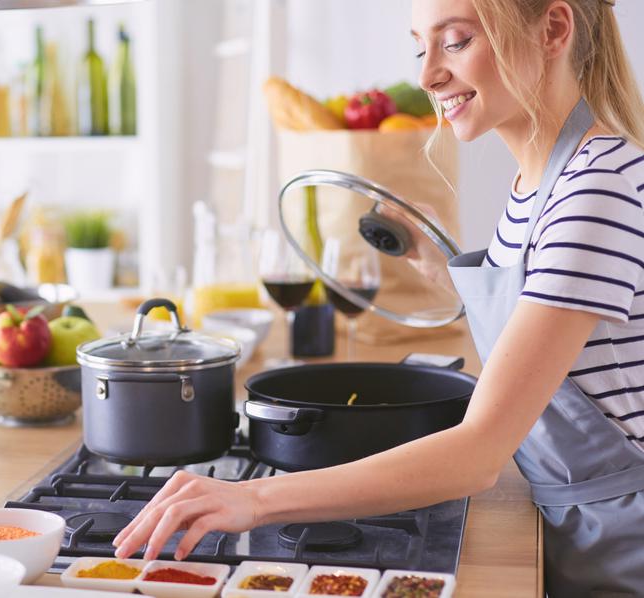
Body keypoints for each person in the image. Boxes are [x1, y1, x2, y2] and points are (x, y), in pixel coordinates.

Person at [112, 1, 644, 595]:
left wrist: (254, 498)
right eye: (422, 47)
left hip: (620, 548)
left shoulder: (596, 188)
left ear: (553, 29)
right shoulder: (542, 182)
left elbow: (478, 454)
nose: (428, 76)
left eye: (457, 41)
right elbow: (551, 323)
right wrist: (438, 262)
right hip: (574, 526)